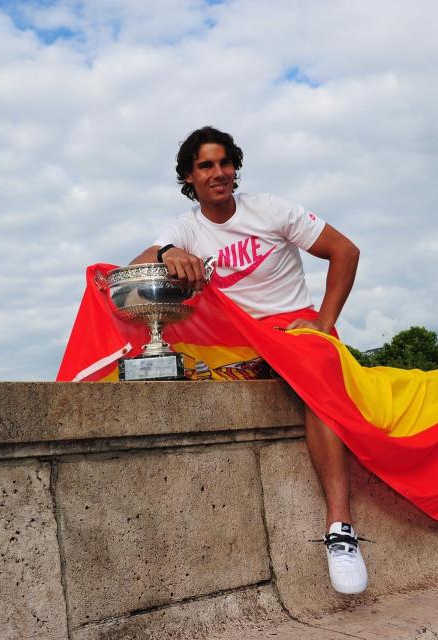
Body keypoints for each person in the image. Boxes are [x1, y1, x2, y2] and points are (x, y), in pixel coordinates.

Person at [131, 126, 366, 594]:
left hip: (291, 328)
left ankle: (341, 530)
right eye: (205, 166)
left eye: (224, 163)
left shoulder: (272, 209)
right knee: (154, 373)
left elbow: (345, 251)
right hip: (235, 341)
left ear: (235, 168)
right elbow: (136, 268)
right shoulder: (186, 228)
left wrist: (323, 320)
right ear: (188, 177)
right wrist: (167, 251)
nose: (218, 173)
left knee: (317, 377)